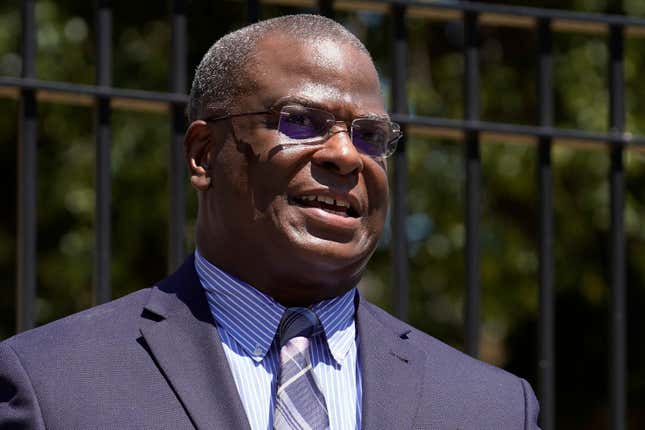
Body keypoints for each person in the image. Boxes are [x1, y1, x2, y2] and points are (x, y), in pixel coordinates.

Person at [0, 14, 540, 430]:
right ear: (204, 153)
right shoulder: (54, 386)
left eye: (370, 137)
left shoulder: (488, 408)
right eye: (301, 121)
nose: (346, 157)